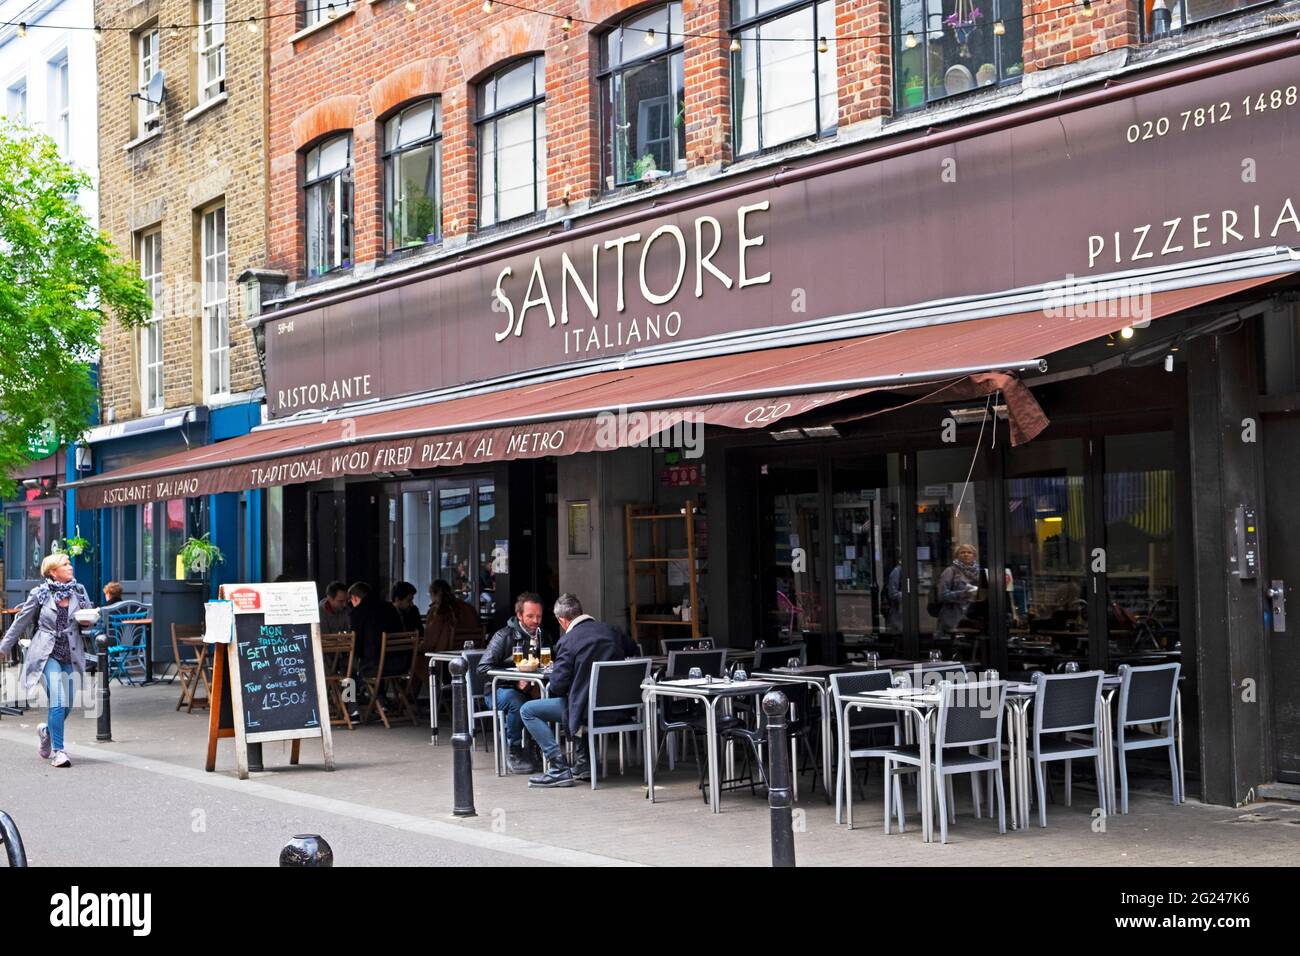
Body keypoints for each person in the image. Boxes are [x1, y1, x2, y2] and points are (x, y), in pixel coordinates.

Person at [521, 593, 640, 788]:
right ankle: (583, 763)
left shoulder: (568, 642)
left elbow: (558, 686)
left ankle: (558, 767)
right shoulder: (612, 631)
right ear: (580, 612)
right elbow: (634, 651)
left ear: (563, 621)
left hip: (587, 714)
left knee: (529, 710)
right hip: (621, 710)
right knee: (577, 699)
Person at [0, 553, 95, 768]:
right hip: (46, 654)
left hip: (70, 655)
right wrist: (4, 647)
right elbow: (20, 622)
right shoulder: (40, 593)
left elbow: (86, 621)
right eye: (65, 564)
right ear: (53, 571)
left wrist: (89, 622)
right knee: (58, 700)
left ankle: (46, 732)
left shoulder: (79, 591)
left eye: (70, 563)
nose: (70, 567)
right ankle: (59, 751)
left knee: (68, 704)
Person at [478, 593, 548, 774]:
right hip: (498, 691)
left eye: (539, 616)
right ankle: (514, 750)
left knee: (547, 699)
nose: (535, 621)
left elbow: (549, 664)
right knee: (516, 700)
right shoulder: (503, 636)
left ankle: (537, 748)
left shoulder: (543, 636)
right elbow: (483, 668)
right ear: (519, 615)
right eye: (530, 616)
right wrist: (515, 681)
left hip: (530, 689)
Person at [937, 543, 983, 634]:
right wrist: (964, 593)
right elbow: (942, 596)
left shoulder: (979, 572)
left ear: (974, 556)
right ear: (956, 556)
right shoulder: (950, 571)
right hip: (953, 620)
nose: (966, 554)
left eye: (969, 552)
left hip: (974, 619)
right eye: (962, 552)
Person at [347, 581, 385, 672]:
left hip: (371, 664)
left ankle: (354, 686)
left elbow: (356, 642)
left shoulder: (358, 612)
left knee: (345, 661)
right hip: (398, 663)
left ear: (354, 598)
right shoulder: (389, 607)